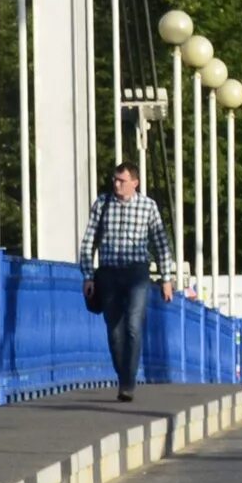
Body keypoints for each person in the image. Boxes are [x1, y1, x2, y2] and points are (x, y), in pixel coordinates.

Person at [77, 163, 171, 402]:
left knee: (133, 324)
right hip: (109, 274)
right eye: (115, 179)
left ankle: (128, 382)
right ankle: (124, 376)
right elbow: (89, 242)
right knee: (115, 330)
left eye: (121, 180)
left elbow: (160, 244)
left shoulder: (148, 207)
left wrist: (166, 279)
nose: (116, 184)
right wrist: (88, 276)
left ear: (134, 183)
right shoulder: (103, 204)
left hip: (137, 273)